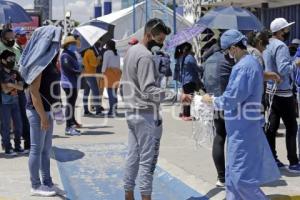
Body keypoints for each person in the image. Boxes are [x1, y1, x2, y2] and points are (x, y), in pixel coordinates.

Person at [202, 29, 281, 199]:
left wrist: (212, 100)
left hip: (243, 131)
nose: (226, 55)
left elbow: (232, 98)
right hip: (240, 129)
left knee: (241, 181)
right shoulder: (250, 63)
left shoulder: (244, 67)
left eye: (226, 51)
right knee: (232, 180)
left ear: (233, 48)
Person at [121, 18, 191, 200]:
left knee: (132, 157)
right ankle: (145, 196)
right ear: (149, 34)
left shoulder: (131, 52)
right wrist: (178, 97)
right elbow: (149, 89)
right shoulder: (144, 56)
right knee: (147, 162)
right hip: (145, 114)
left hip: (132, 111)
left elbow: (124, 83)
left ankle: (128, 194)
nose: (160, 44)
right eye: (159, 40)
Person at [19, 25, 62, 197]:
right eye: (55, 40)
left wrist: (57, 112)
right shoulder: (40, 62)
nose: (57, 43)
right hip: (38, 112)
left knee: (46, 150)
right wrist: (43, 116)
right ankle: (35, 185)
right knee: (37, 149)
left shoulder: (50, 61)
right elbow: (34, 92)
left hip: (48, 111)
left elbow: (53, 89)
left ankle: (47, 182)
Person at [263, 18, 300, 171]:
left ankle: (272, 159)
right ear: (279, 32)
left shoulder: (267, 45)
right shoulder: (281, 46)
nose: (287, 32)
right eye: (285, 29)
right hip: (283, 93)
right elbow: (284, 69)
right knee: (292, 127)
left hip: (270, 92)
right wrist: (296, 63)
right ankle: (293, 162)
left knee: (272, 128)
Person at [203, 40, 235, 187]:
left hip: (214, 103)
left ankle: (221, 177)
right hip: (228, 103)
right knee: (234, 139)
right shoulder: (228, 59)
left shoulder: (208, 59)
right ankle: (233, 175)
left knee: (220, 136)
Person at [0, 50, 26, 156]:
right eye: (10, 59)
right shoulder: (1, 72)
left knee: (19, 125)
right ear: (3, 60)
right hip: (4, 103)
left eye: (13, 58)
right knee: (6, 126)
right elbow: (5, 90)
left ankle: (18, 146)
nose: (12, 60)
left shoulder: (15, 72)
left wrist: (11, 85)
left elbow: (21, 87)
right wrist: (13, 85)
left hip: (15, 102)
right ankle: (7, 147)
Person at [13, 26, 31, 151]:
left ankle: (26, 142)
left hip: (22, 86)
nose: (25, 37)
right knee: (19, 116)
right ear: (16, 36)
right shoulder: (13, 49)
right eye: (22, 35)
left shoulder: (21, 49)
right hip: (16, 86)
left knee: (23, 115)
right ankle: (20, 142)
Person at [60, 36, 82, 135]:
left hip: (73, 82)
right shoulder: (65, 55)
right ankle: (68, 127)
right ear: (68, 45)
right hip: (68, 83)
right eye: (72, 44)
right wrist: (78, 71)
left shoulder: (72, 54)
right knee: (70, 105)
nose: (74, 46)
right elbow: (67, 67)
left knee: (72, 105)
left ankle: (72, 124)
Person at [181, 42, 201, 121]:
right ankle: (186, 115)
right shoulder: (190, 57)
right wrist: (202, 68)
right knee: (189, 98)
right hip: (190, 80)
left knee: (186, 97)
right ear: (190, 49)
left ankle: (185, 114)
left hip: (185, 81)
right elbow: (196, 68)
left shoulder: (184, 58)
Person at [102, 40, 121, 117]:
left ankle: (111, 111)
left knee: (110, 93)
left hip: (109, 73)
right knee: (114, 93)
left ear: (108, 46)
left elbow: (104, 64)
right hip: (117, 73)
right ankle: (115, 109)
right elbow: (118, 65)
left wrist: (102, 73)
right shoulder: (117, 53)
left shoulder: (107, 53)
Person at [82, 44, 103, 116]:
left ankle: (86, 110)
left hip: (86, 74)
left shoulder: (86, 52)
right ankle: (98, 111)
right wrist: (98, 59)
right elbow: (94, 64)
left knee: (86, 93)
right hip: (91, 74)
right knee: (96, 92)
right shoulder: (90, 52)